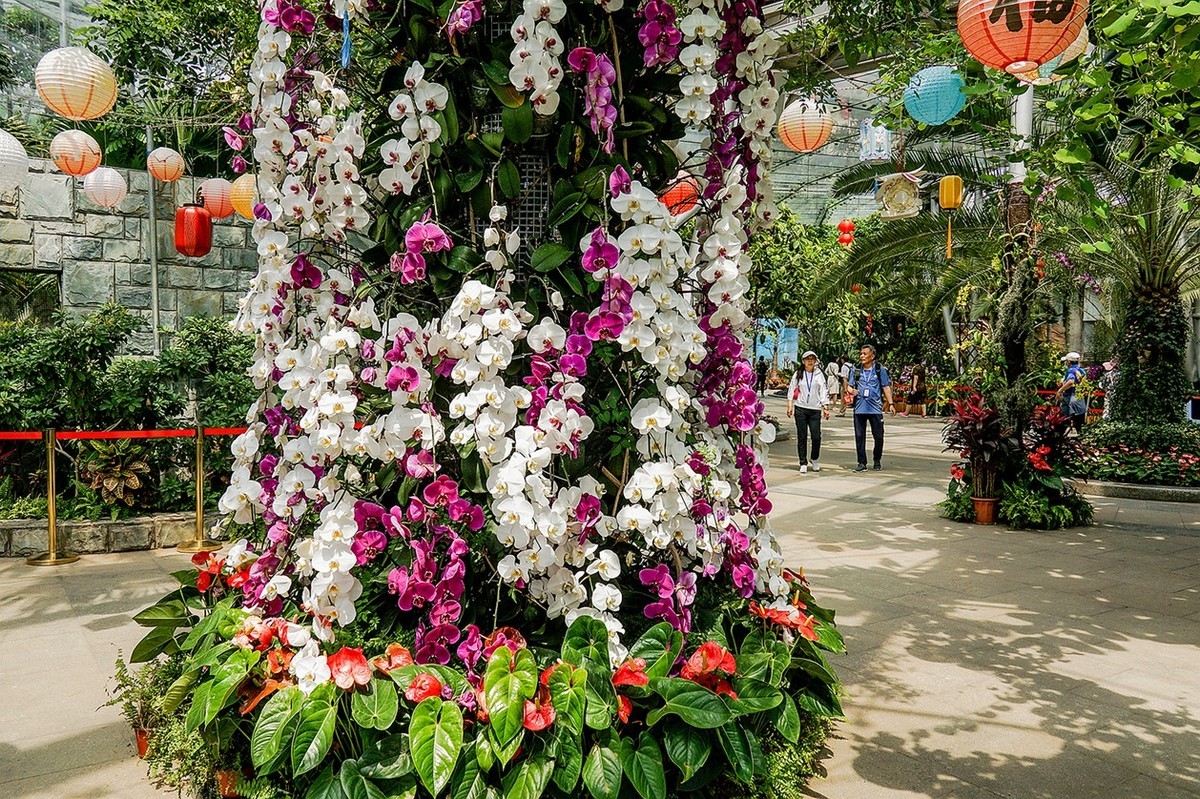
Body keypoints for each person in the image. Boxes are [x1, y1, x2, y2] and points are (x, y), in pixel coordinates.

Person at [846, 344, 895, 471]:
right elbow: (849, 386)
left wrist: (891, 404)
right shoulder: (855, 369)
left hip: (875, 409)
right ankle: (862, 463)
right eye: (861, 354)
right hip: (859, 408)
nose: (862, 356)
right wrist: (852, 391)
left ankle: (877, 459)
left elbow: (885, 387)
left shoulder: (880, 370)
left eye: (865, 354)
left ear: (872, 356)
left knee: (878, 436)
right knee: (859, 436)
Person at [786, 350, 830, 473]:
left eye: (812, 359)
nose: (810, 361)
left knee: (816, 436)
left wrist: (825, 407)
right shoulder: (798, 374)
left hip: (815, 410)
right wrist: (790, 405)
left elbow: (823, 391)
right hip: (800, 408)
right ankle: (803, 462)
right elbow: (791, 389)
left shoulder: (818, 374)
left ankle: (814, 459)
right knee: (802, 436)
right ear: (803, 361)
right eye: (808, 359)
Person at [1056, 351, 1088, 432]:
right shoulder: (1082, 371)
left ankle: (1058, 441)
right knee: (1079, 423)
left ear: (1069, 362)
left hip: (1070, 398)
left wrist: (1059, 391)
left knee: (1063, 421)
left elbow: (1071, 382)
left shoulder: (1071, 371)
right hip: (1080, 399)